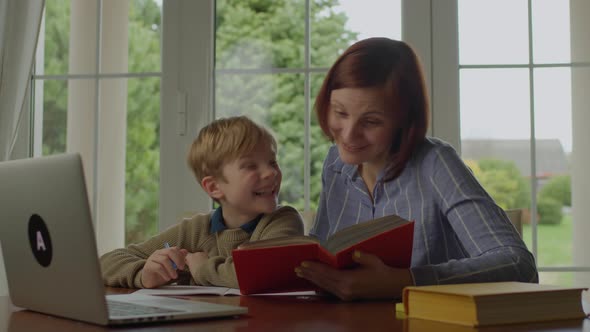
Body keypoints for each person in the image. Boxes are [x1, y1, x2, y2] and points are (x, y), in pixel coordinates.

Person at [296, 37, 538, 300]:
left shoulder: (436, 164)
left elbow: (520, 266)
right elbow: (322, 253)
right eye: (340, 113)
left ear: (405, 121)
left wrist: (404, 281)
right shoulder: (335, 163)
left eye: (372, 121)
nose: (349, 135)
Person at [100, 116, 304, 289]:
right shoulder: (195, 229)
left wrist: (202, 269)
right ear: (214, 187)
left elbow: (262, 272)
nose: (271, 173)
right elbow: (106, 263)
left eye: (272, 162)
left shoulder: (283, 221)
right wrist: (144, 273)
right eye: (251, 166)